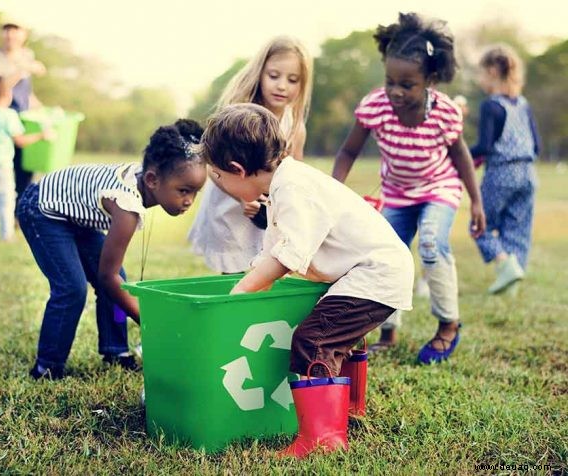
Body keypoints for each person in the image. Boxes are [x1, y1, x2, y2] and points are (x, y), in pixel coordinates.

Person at [199, 103, 413, 457]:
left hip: (374, 274)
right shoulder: (288, 183)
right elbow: (273, 252)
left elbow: (287, 256)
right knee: (337, 336)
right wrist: (256, 280)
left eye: (218, 178)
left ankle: (323, 439)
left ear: (237, 169)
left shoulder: (294, 189)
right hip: (369, 272)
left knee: (315, 340)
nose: (220, 185)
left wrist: (242, 290)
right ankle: (348, 413)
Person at [332, 12, 486, 364]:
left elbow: (461, 156)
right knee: (386, 255)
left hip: (438, 188)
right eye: (390, 81)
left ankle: (449, 325)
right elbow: (348, 150)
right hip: (398, 193)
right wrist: (334, 193)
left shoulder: (444, 113)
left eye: (407, 84)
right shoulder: (375, 106)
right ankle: (388, 330)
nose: (396, 91)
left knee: (431, 243)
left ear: (430, 79)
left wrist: (476, 201)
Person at [17, 120, 207, 380]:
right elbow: (108, 277)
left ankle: (116, 351)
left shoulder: (146, 179)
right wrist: (146, 319)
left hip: (75, 216)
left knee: (120, 282)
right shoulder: (126, 206)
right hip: (42, 209)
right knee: (72, 288)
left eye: (196, 192)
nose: (189, 201)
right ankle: (46, 367)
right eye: (184, 191)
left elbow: (113, 277)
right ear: (152, 180)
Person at [188, 36, 313, 273]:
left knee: (264, 266)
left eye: (293, 80)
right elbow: (213, 167)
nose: (282, 86)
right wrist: (243, 198)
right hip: (231, 207)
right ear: (259, 73)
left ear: (302, 85)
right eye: (274, 76)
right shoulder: (237, 116)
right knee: (234, 269)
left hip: (266, 212)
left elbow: (295, 175)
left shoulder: (294, 127)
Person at [470, 45, 541, 294]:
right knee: (517, 230)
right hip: (528, 174)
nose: (479, 80)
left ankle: (504, 264)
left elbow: (484, 146)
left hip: (501, 173)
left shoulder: (491, 105)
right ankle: (511, 284)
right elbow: (537, 145)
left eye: (480, 73)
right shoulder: (523, 104)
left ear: (491, 71)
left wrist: (458, 154)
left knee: (480, 225)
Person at [0, 76, 52, 241]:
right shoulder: (8, 115)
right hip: (1, 164)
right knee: (6, 198)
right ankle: (7, 235)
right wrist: (42, 135)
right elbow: (20, 141)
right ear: (7, 95)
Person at [0, 22, 47, 208]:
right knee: (2, 167)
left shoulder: (27, 55)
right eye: (6, 31)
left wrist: (42, 110)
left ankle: (20, 214)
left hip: (24, 117)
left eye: (14, 31)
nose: (10, 35)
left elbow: (26, 92)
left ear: (23, 35)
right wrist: (19, 71)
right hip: (1, 116)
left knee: (25, 169)